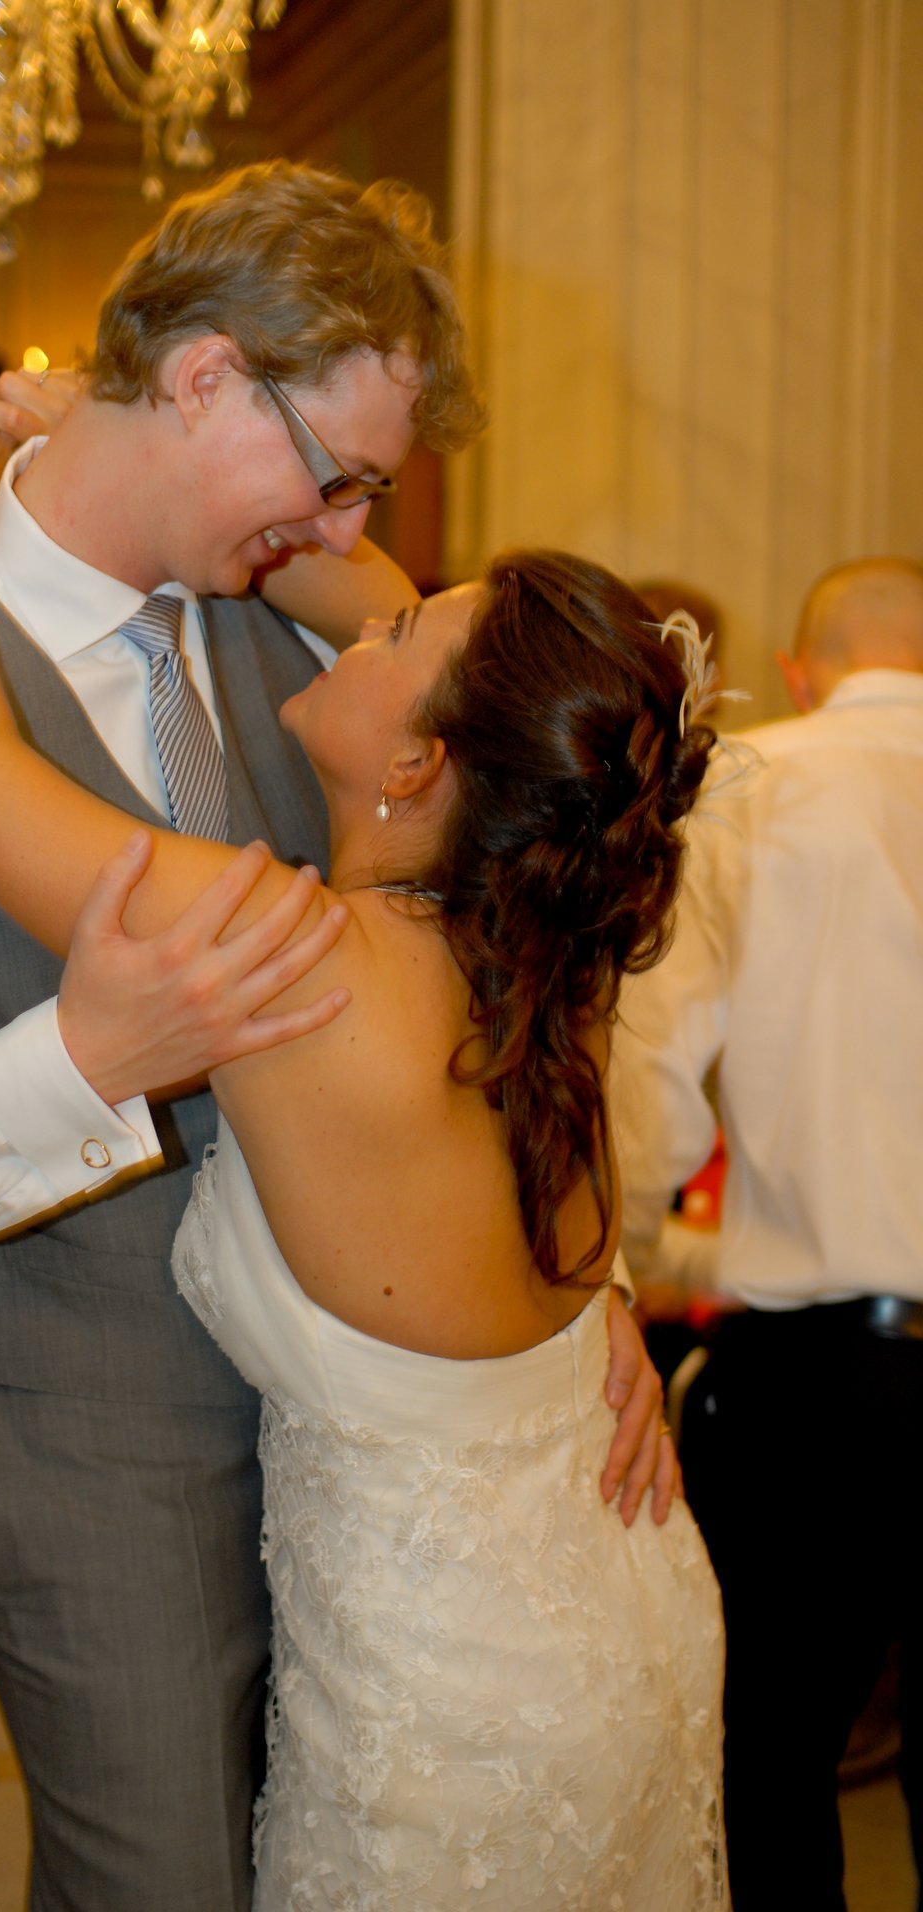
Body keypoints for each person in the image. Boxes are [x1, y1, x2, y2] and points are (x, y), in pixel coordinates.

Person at [0, 161, 673, 1910]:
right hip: (103, 1456)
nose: (341, 531)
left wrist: (565, 1308)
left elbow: (495, 941)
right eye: (338, 479)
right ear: (212, 375)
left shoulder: (301, 643)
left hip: (372, 1483)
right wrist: (72, 1071)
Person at [0, 406, 725, 1905]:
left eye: (399, 631)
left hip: (451, 1708)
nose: (365, 602)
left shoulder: (291, 961)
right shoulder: (551, 961)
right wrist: (203, 470)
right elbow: (352, 587)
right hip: (615, 1605)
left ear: (416, 764)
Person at [611, 555, 923, 1910]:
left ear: (805, 671)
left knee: (768, 1763)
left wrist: (612, 1277)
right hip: (830, 1359)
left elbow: (649, 1087)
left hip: (825, 1384)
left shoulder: (753, 782)